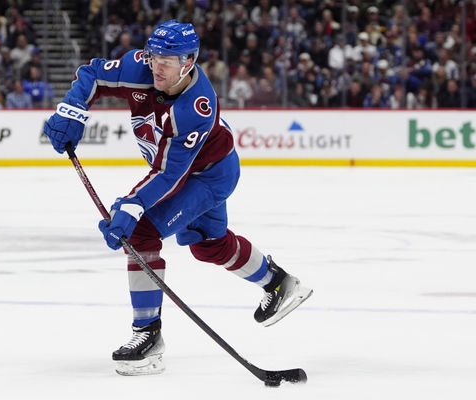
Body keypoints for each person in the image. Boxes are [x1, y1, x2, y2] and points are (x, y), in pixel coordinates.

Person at [43, 20, 312, 376]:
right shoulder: (140, 67)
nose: (157, 66)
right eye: (154, 56)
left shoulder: (194, 107)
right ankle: (279, 282)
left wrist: (131, 204)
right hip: (193, 172)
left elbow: (170, 175)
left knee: (140, 234)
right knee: (207, 245)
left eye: (167, 61)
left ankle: (147, 337)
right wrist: (72, 111)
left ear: (189, 62)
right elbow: (91, 74)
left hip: (208, 176)